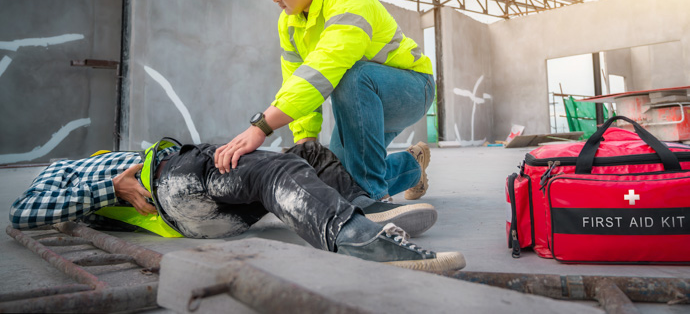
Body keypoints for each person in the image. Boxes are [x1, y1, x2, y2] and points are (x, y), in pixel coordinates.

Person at [215, 0, 435, 202]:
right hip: (365, 100)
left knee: (352, 76)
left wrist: (262, 127)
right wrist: (305, 140)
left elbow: (322, 69)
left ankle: (372, 202)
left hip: (411, 90)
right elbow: (296, 78)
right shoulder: (290, 23)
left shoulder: (349, 1)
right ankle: (412, 167)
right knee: (338, 179)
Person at [9, 140, 463, 273]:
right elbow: (23, 213)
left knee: (304, 153)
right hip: (174, 182)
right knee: (275, 173)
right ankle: (360, 240)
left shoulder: (106, 161)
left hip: (198, 208)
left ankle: (364, 206)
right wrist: (112, 188)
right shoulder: (63, 167)